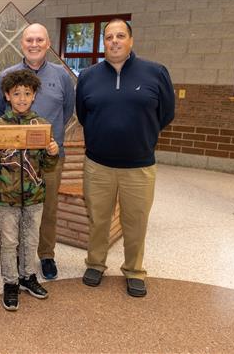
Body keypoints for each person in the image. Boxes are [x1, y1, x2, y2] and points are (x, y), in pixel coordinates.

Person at [76, 19, 175, 297]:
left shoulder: (155, 73)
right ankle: (95, 263)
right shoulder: (88, 77)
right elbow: (84, 115)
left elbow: (166, 114)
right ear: (103, 43)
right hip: (98, 165)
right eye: (109, 37)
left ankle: (134, 270)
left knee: (137, 220)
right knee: (98, 218)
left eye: (120, 36)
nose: (115, 41)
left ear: (131, 40)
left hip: (139, 166)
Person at [0, 23, 75, 280]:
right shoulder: (7, 75)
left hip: (48, 158)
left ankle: (46, 254)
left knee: (46, 208)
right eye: (29, 40)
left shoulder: (61, 75)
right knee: (17, 209)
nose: (34, 44)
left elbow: (67, 110)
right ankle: (18, 256)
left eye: (40, 40)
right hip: (14, 160)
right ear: (21, 44)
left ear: (48, 43)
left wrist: (49, 141)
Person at [0, 69, 59, 311]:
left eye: (27, 93)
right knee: (9, 242)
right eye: (17, 94)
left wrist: (51, 153)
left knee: (30, 239)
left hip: (35, 195)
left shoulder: (43, 126)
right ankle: (11, 282)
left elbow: (47, 166)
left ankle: (27, 276)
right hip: (7, 197)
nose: (22, 98)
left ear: (34, 95)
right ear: (7, 95)